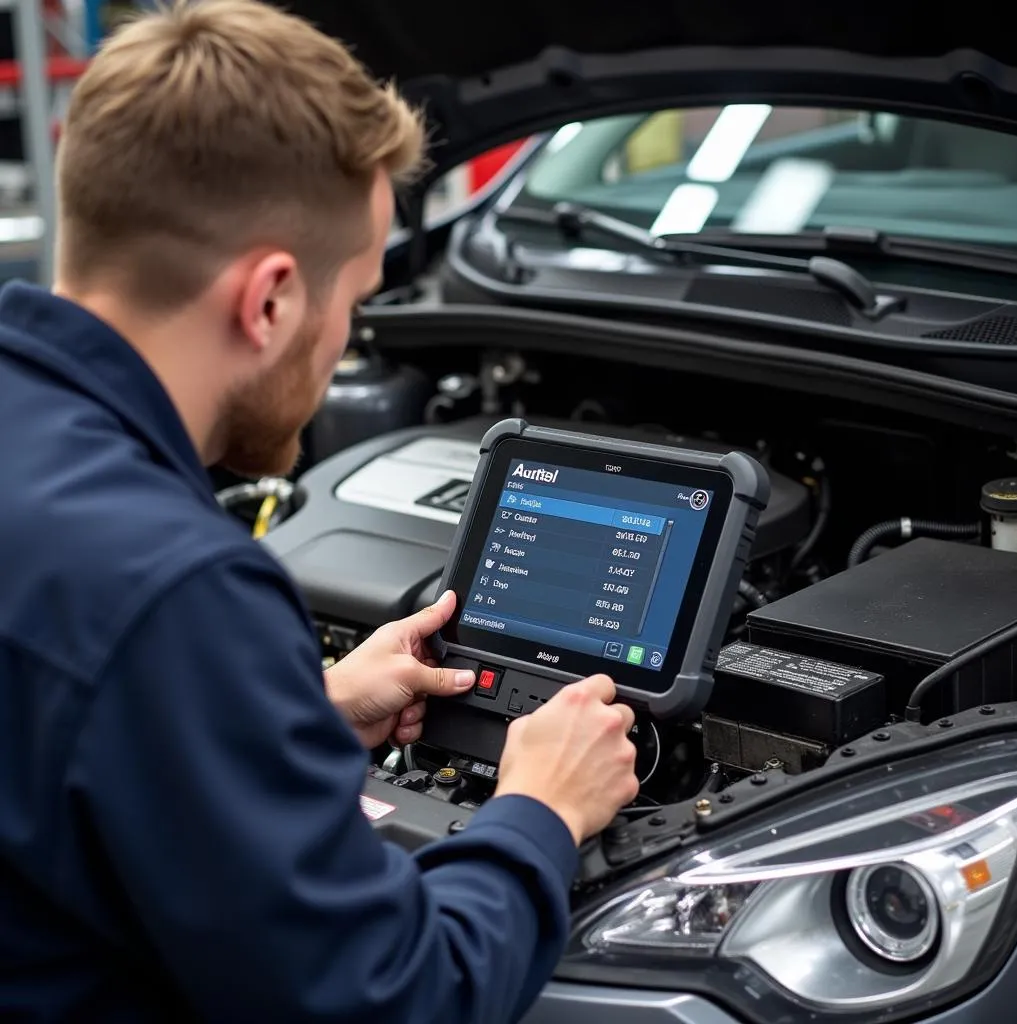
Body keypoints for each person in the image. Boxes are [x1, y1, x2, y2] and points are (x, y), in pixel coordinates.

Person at [0, 1, 641, 1021]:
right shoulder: (174, 593)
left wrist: (298, 713)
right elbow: (392, 996)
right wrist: (540, 810)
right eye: (354, 303)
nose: (348, 341)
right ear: (269, 300)